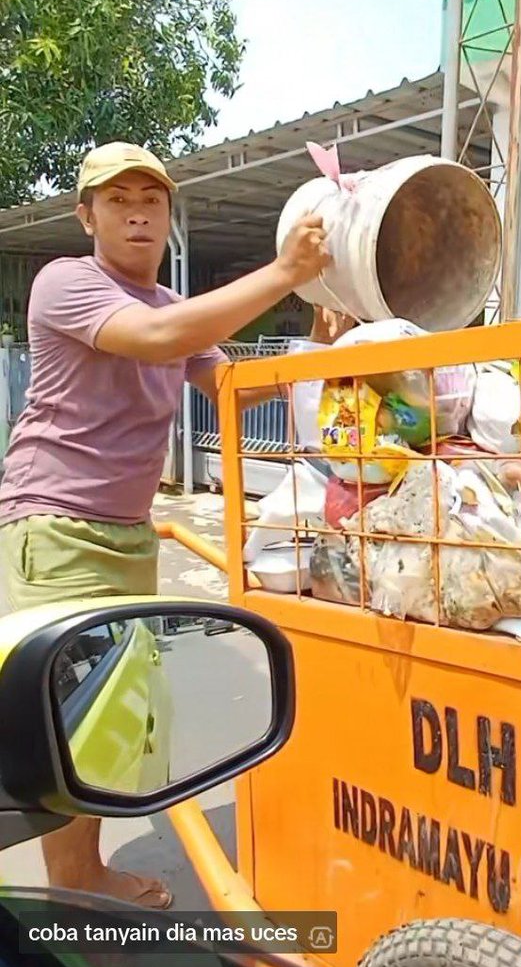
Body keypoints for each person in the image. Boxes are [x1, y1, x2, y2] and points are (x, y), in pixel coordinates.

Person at [0, 140, 331, 908]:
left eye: (152, 197)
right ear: (88, 215)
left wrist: (316, 335)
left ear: (168, 215)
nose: (138, 210)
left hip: (126, 532)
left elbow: (228, 386)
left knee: (111, 715)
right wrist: (282, 272)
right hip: (57, 527)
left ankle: (81, 874)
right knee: (68, 717)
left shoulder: (169, 310)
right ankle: (72, 892)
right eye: (118, 199)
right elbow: (158, 342)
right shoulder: (68, 283)